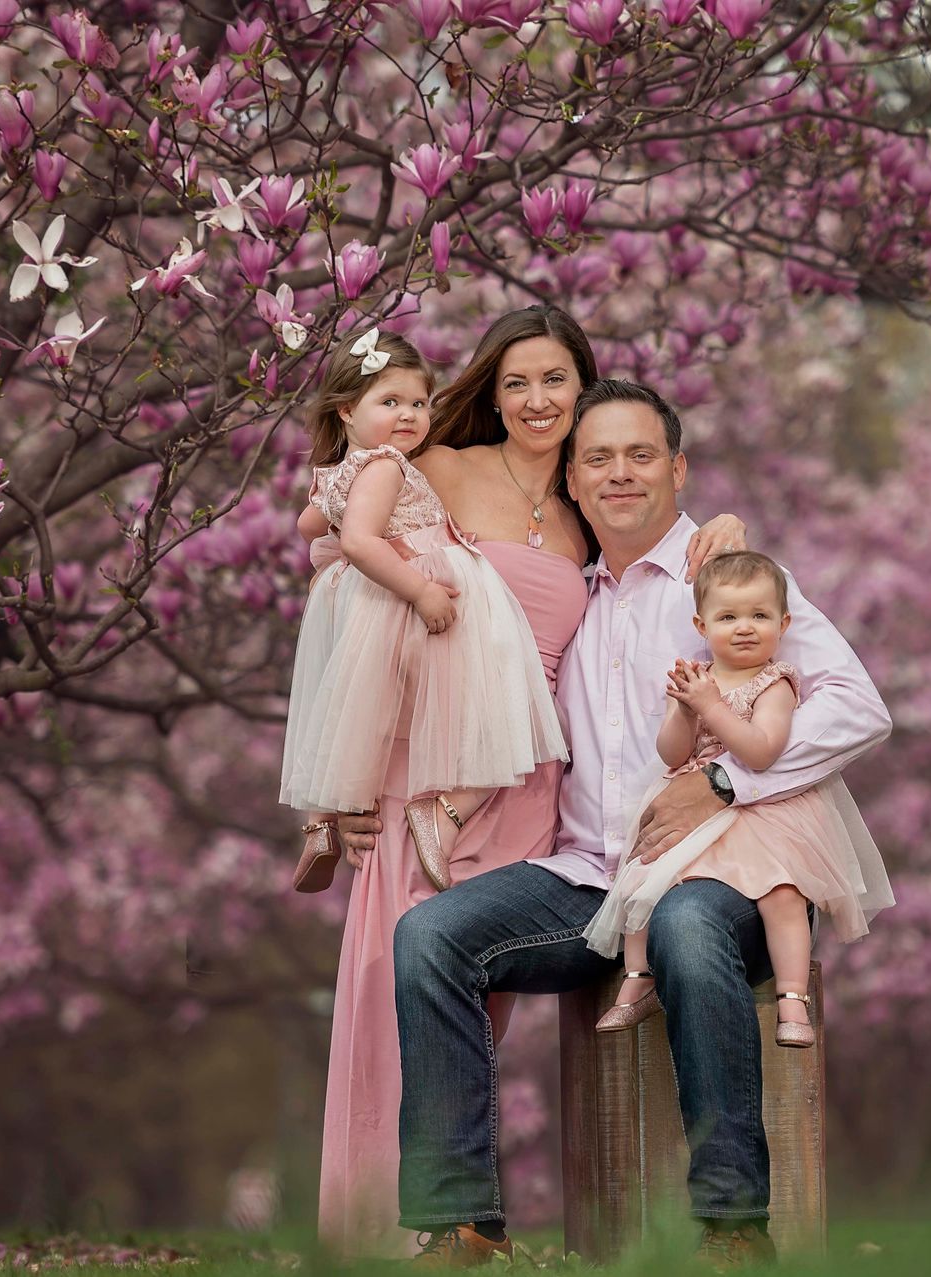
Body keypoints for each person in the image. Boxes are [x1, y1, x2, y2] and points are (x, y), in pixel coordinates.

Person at [379, 379, 890, 1268]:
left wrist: (724, 782)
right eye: (599, 458)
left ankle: (734, 1229)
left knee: (690, 922)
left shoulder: (728, 580)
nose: (621, 474)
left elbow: (858, 706)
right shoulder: (572, 600)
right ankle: (462, 1224)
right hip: (590, 881)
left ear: (680, 469)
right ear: (573, 482)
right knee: (430, 934)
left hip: (724, 877)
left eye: (642, 454)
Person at [310, 309, 748, 1258]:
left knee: (468, 994)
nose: (535, 401)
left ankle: (454, 1222)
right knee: (401, 958)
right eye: (515, 382)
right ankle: (381, 1232)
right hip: (430, 760)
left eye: (555, 380)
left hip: (534, 776)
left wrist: (726, 523)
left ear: (582, 386)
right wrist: (343, 768)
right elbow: (344, 551)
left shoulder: (597, 495)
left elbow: (671, 550)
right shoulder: (442, 466)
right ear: (492, 392)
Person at [281, 327, 567, 894]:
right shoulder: (387, 466)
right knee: (506, 715)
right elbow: (360, 542)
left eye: (417, 403)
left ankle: (321, 820)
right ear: (345, 411)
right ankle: (442, 811)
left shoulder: (348, 471)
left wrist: (335, 506)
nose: (409, 415)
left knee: (341, 708)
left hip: (367, 606)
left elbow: (310, 528)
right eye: (390, 402)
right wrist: (420, 589)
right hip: (414, 594)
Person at [582, 550, 892, 1048]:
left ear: (783, 623)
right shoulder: (693, 677)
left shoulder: (775, 682)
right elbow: (671, 753)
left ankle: (793, 999)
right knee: (648, 874)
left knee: (781, 892)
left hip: (762, 810)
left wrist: (710, 706)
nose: (744, 628)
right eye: (728, 617)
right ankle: (638, 977)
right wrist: (685, 712)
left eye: (759, 616)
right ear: (701, 625)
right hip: (692, 798)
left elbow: (760, 751)